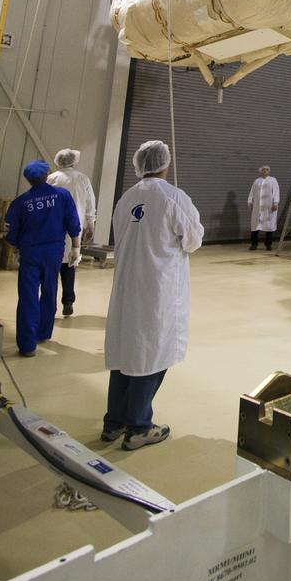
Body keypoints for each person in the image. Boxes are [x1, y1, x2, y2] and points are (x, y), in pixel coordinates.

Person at [103, 140, 203, 451]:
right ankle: (139, 427)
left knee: (125, 354)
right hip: (157, 289)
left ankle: (114, 423)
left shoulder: (126, 198)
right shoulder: (173, 197)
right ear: (165, 163)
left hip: (126, 286)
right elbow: (194, 240)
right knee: (151, 354)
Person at [4, 160, 81, 357]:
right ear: (47, 175)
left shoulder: (21, 202)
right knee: (49, 290)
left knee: (28, 296)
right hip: (53, 252)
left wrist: (18, 246)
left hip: (30, 252)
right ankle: (44, 332)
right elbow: (73, 221)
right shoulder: (62, 196)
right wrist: (76, 247)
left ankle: (27, 345)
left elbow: (11, 233)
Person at [47, 148, 96, 318]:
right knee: (70, 264)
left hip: (53, 228)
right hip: (75, 227)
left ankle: (49, 305)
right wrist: (91, 223)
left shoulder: (52, 178)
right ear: (73, 161)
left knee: (51, 268)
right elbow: (90, 202)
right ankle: (68, 302)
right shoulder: (82, 179)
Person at [247, 165, 279, 250]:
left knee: (269, 226)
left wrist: (275, 203)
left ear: (269, 171)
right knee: (255, 226)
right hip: (257, 207)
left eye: (267, 170)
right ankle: (254, 244)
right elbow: (252, 192)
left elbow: (276, 192)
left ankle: (268, 245)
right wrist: (249, 202)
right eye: (263, 170)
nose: (265, 171)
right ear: (261, 171)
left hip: (268, 207)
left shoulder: (273, 180)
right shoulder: (257, 181)